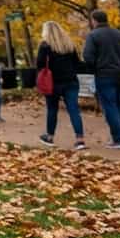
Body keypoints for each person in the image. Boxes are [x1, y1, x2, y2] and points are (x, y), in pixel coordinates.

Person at [82, 9, 120, 149]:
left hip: (104, 75)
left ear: (94, 20)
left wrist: (94, 70)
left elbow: (88, 57)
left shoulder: (93, 35)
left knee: (110, 106)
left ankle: (118, 139)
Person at [37, 21, 86, 150]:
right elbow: (77, 63)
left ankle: (50, 137)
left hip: (53, 83)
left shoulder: (45, 46)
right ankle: (80, 139)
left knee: (52, 109)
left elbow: (40, 65)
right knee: (74, 110)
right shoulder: (69, 45)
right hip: (71, 81)